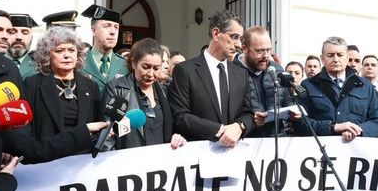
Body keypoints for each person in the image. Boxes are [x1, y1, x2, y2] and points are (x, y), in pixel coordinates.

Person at [168, 10, 254, 147]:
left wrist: (240, 127)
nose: (238, 44)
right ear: (216, 33)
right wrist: (220, 130)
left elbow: (248, 113)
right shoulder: (185, 70)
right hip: (198, 155)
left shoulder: (241, 74)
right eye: (234, 37)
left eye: (240, 38)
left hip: (234, 156)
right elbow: (180, 116)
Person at [23, 27, 102, 150]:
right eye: (60, 50)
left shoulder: (91, 87)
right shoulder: (32, 84)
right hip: (46, 157)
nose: (67, 55)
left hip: (82, 159)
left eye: (71, 50)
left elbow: (98, 126)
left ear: (78, 54)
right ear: (47, 55)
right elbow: (26, 128)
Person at [103, 38, 186, 149]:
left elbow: (174, 125)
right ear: (133, 63)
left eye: (156, 68)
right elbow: (107, 134)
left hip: (162, 161)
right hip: (128, 161)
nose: (151, 73)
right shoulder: (117, 88)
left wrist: (177, 137)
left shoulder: (165, 91)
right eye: (146, 67)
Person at [299, 36, 378, 140]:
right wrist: (332, 128)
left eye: (340, 55)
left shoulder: (365, 86)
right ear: (322, 59)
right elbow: (301, 122)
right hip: (321, 150)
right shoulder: (308, 85)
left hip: (357, 150)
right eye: (330, 55)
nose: (335, 59)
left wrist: (357, 130)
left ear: (347, 58)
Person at [233, 26, 301, 137]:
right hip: (246, 141)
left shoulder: (277, 70)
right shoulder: (232, 72)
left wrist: (294, 114)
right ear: (244, 49)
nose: (266, 56)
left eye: (268, 50)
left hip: (277, 139)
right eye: (260, 51)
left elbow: (289, 103)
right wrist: (250, 120)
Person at [80, 4, 129, 93]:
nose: (113, 32)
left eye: (116, 27)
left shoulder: (125, 65)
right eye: (107, 26)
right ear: (93, 30)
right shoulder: (79, 62)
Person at [7, 13, 39, 79]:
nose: (19, 37)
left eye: (25, 32)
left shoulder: (41, 67)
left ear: (31, 38)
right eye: (13, 32)